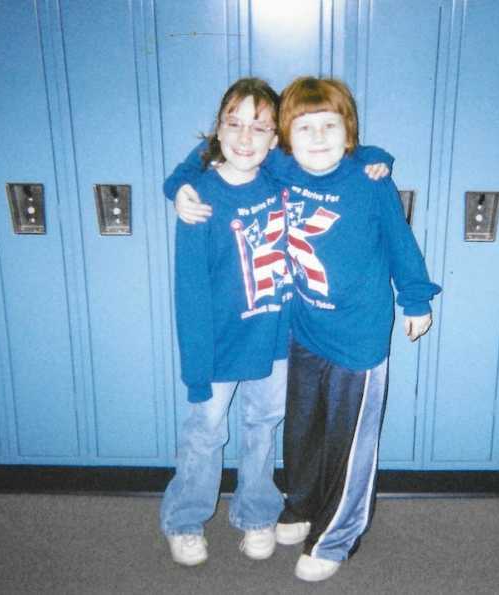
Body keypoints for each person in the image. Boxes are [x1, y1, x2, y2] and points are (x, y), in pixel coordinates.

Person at [179, 76, 441, 582]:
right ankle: (299, 507)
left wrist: (415, 298)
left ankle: (337, 536)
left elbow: (399, 239)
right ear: (285, 138)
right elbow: (217, 151)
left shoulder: (369, 179)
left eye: (330, 126)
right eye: (304, 128)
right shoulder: (281, 168)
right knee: (302, 434)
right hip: (305, 330)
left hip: (358, 338)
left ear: (349, 134)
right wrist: (179, 188)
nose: (317, 138)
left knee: (348, 442)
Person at [159, 77, 290, 567]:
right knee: (205, 431)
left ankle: (256, 511)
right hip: (217, 344)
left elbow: (334, 155)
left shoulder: (281, 181)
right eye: (233, 123)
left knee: (263, 426)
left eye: (259, 127)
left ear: (275, 140)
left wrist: (374, 163)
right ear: (217, 130)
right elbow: (189, 291)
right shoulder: (199, 199)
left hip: (274, 337)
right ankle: (185, 519)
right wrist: (196, 365)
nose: (244, 137)